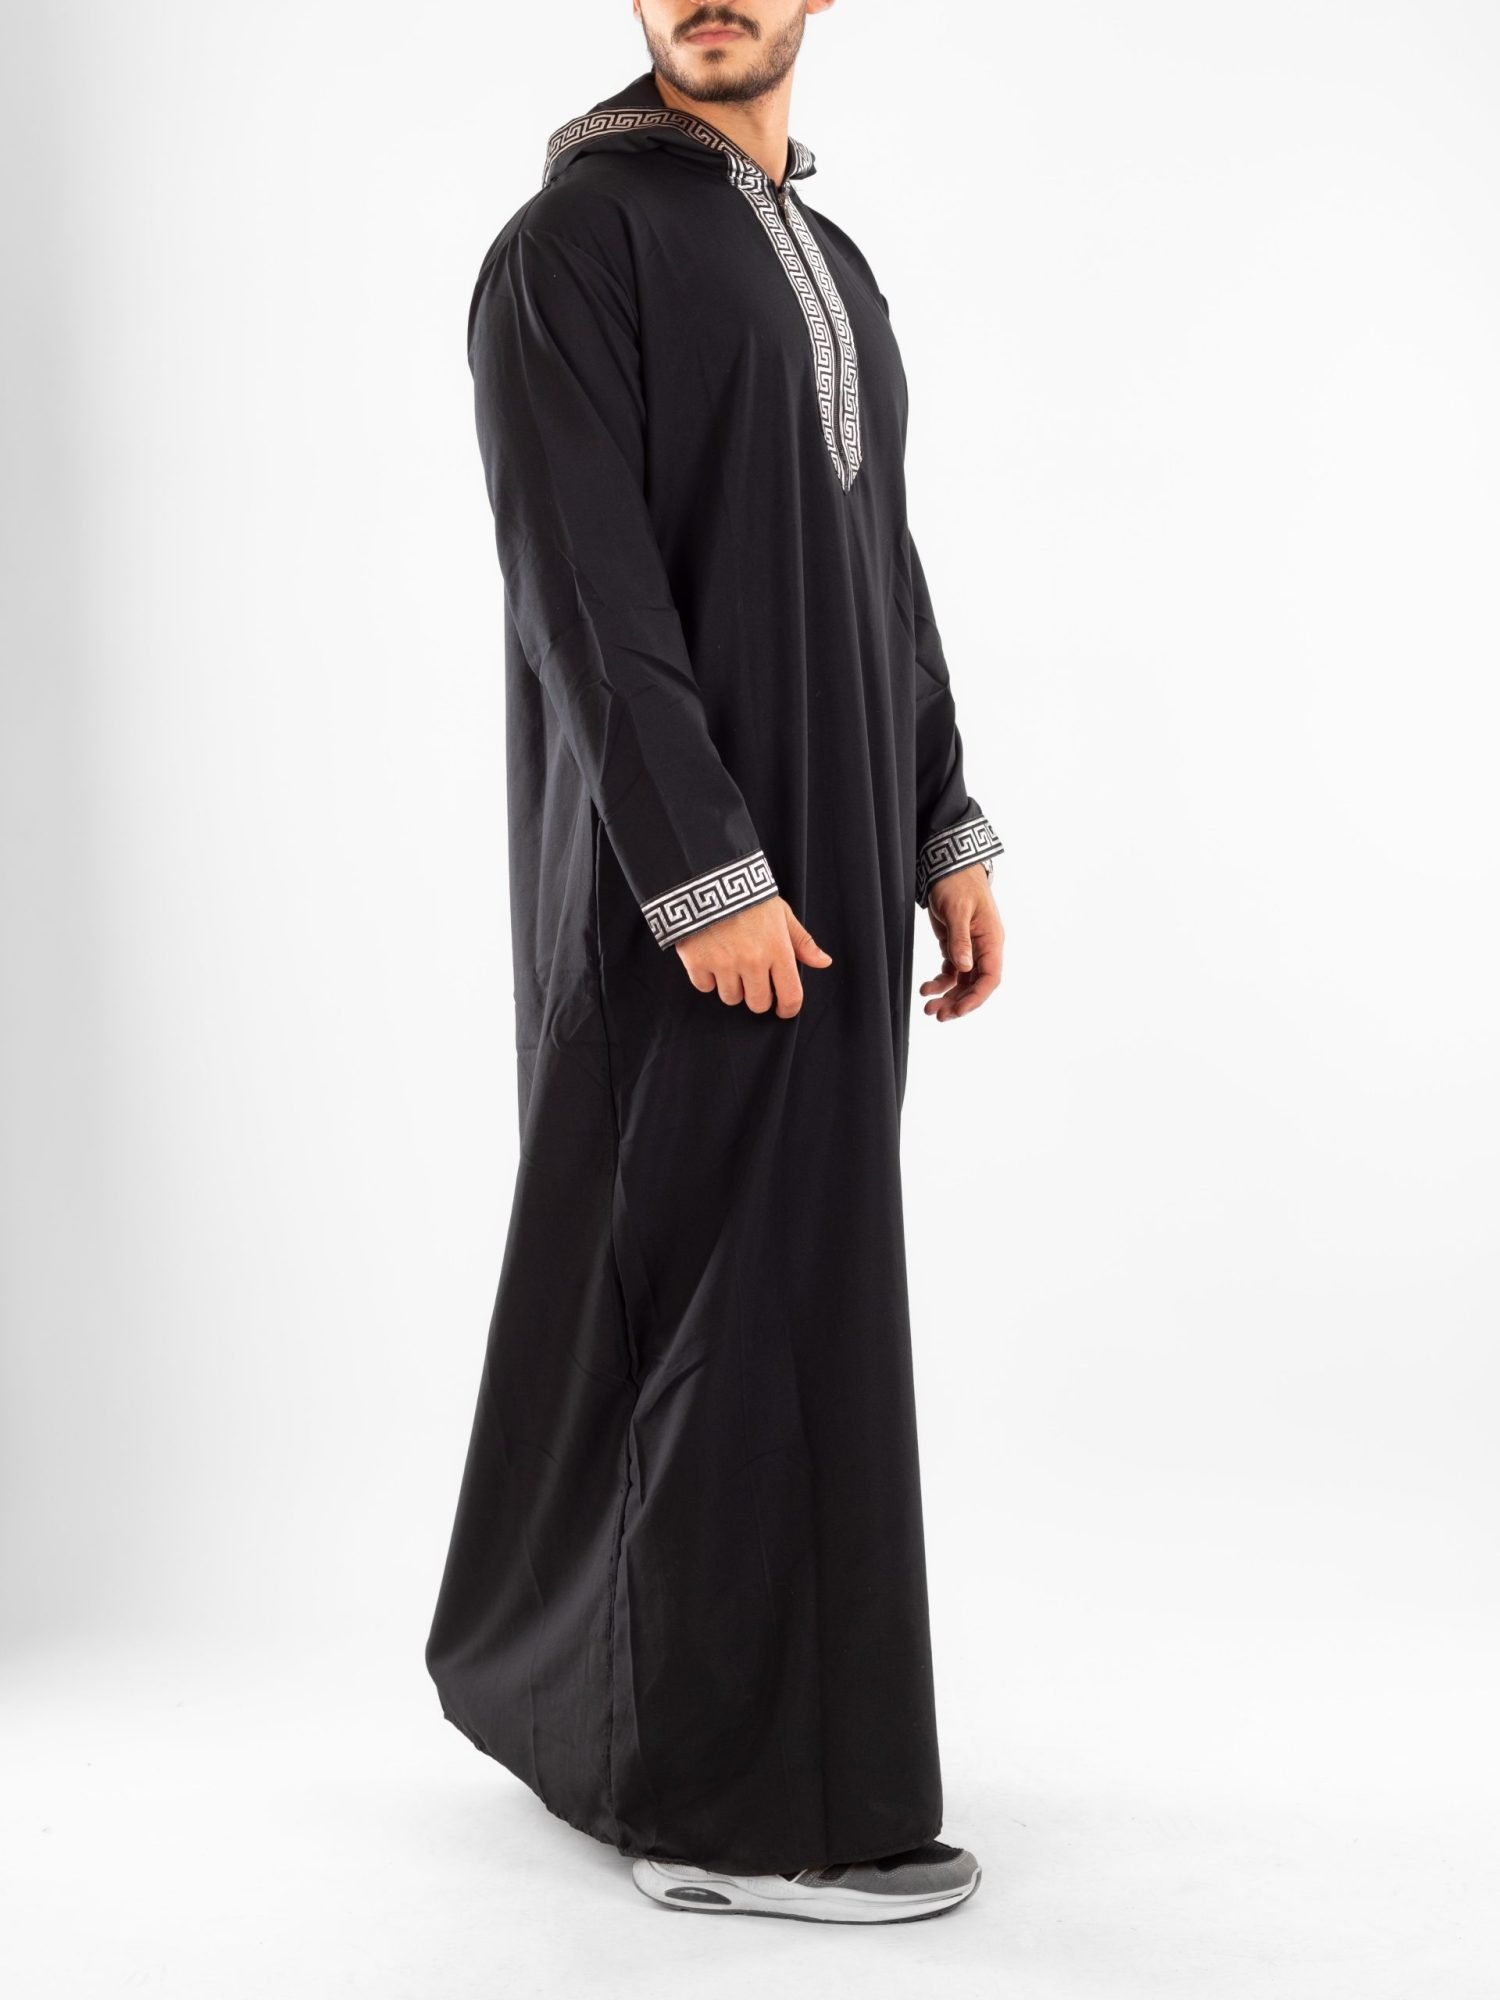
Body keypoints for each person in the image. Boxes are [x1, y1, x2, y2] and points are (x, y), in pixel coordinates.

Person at [425, 0, 1005, 1924]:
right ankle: (725, 1809)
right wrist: (701, 871)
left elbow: (878, 560)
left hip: (832, 859)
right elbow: (580, 580)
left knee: (798, 1289)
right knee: (713, 1302)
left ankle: (627, 1714)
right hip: (683, 888)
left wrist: (940, 825)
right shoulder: (568, 248)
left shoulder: (833, 259)